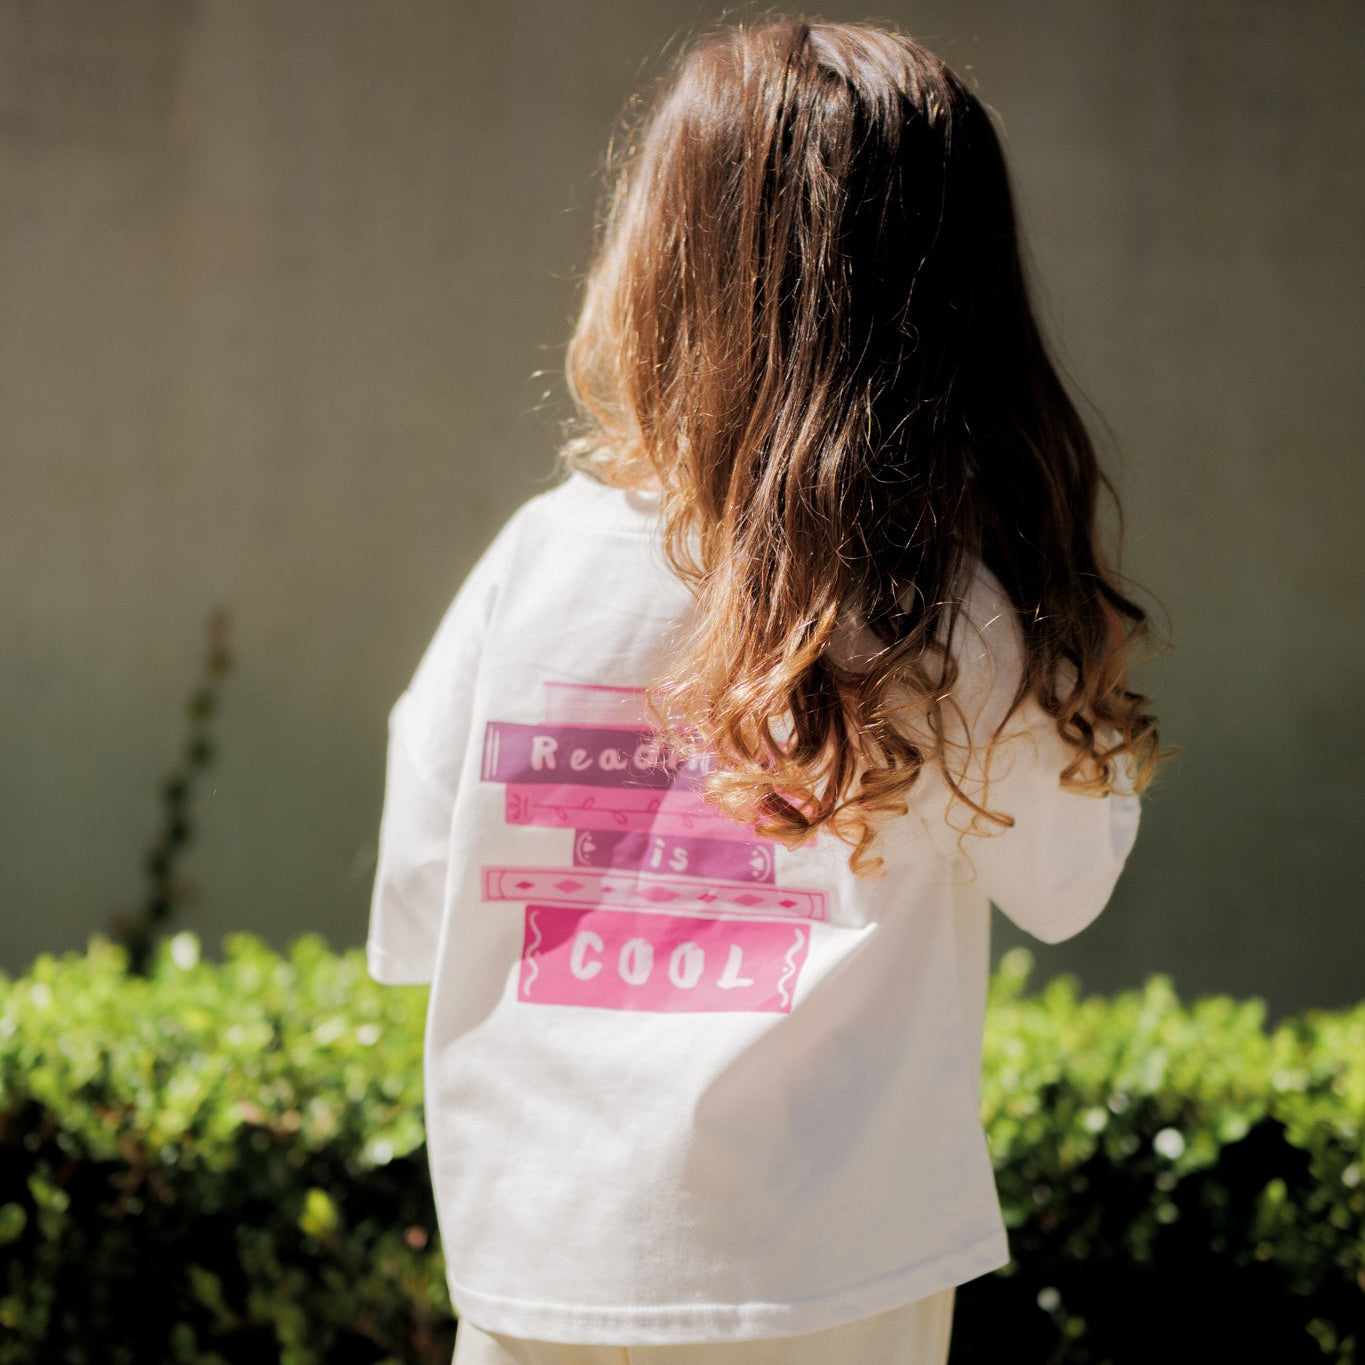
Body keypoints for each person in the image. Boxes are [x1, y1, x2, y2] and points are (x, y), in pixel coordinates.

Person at [366, 15, 1165, 1365]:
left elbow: (418, 908)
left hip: (535, 1260)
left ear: (657, 259)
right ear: (956, 309)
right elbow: (1069, 876)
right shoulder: (942, 613)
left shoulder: (530, 564)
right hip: (822, 1271)